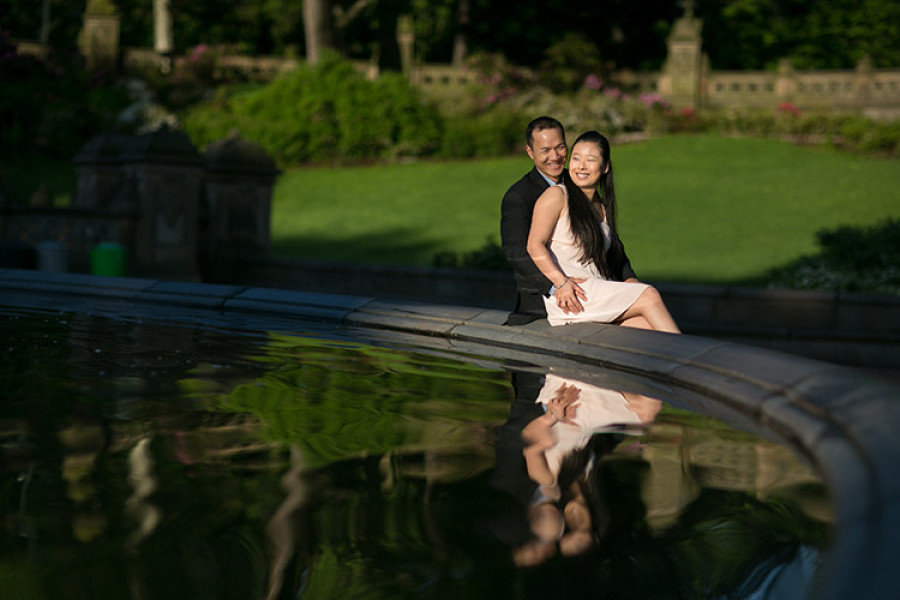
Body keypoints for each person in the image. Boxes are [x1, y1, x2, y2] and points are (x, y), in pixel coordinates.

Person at [526, 130, 680, 333]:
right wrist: (560, 283)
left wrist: (629, 282)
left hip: (597, 291)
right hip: (572, 296)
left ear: (605, 166)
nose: (581, 166)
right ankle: (692, 362)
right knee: (649, 295)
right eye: (576, 158)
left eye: (590, 160)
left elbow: (615, 257)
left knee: (648, 328)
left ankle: (671, 364)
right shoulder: (557, 195)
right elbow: (534, 245)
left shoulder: (602, 208)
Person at [500, 116, 571, 325]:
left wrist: (629, 278)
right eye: (545, 150)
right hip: (542, 300)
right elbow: (516, 252)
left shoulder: (580, 184)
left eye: (560, 147)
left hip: (589, 283)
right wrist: (556, 286)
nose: (555, 156)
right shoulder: (519, 196)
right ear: (530, 152)